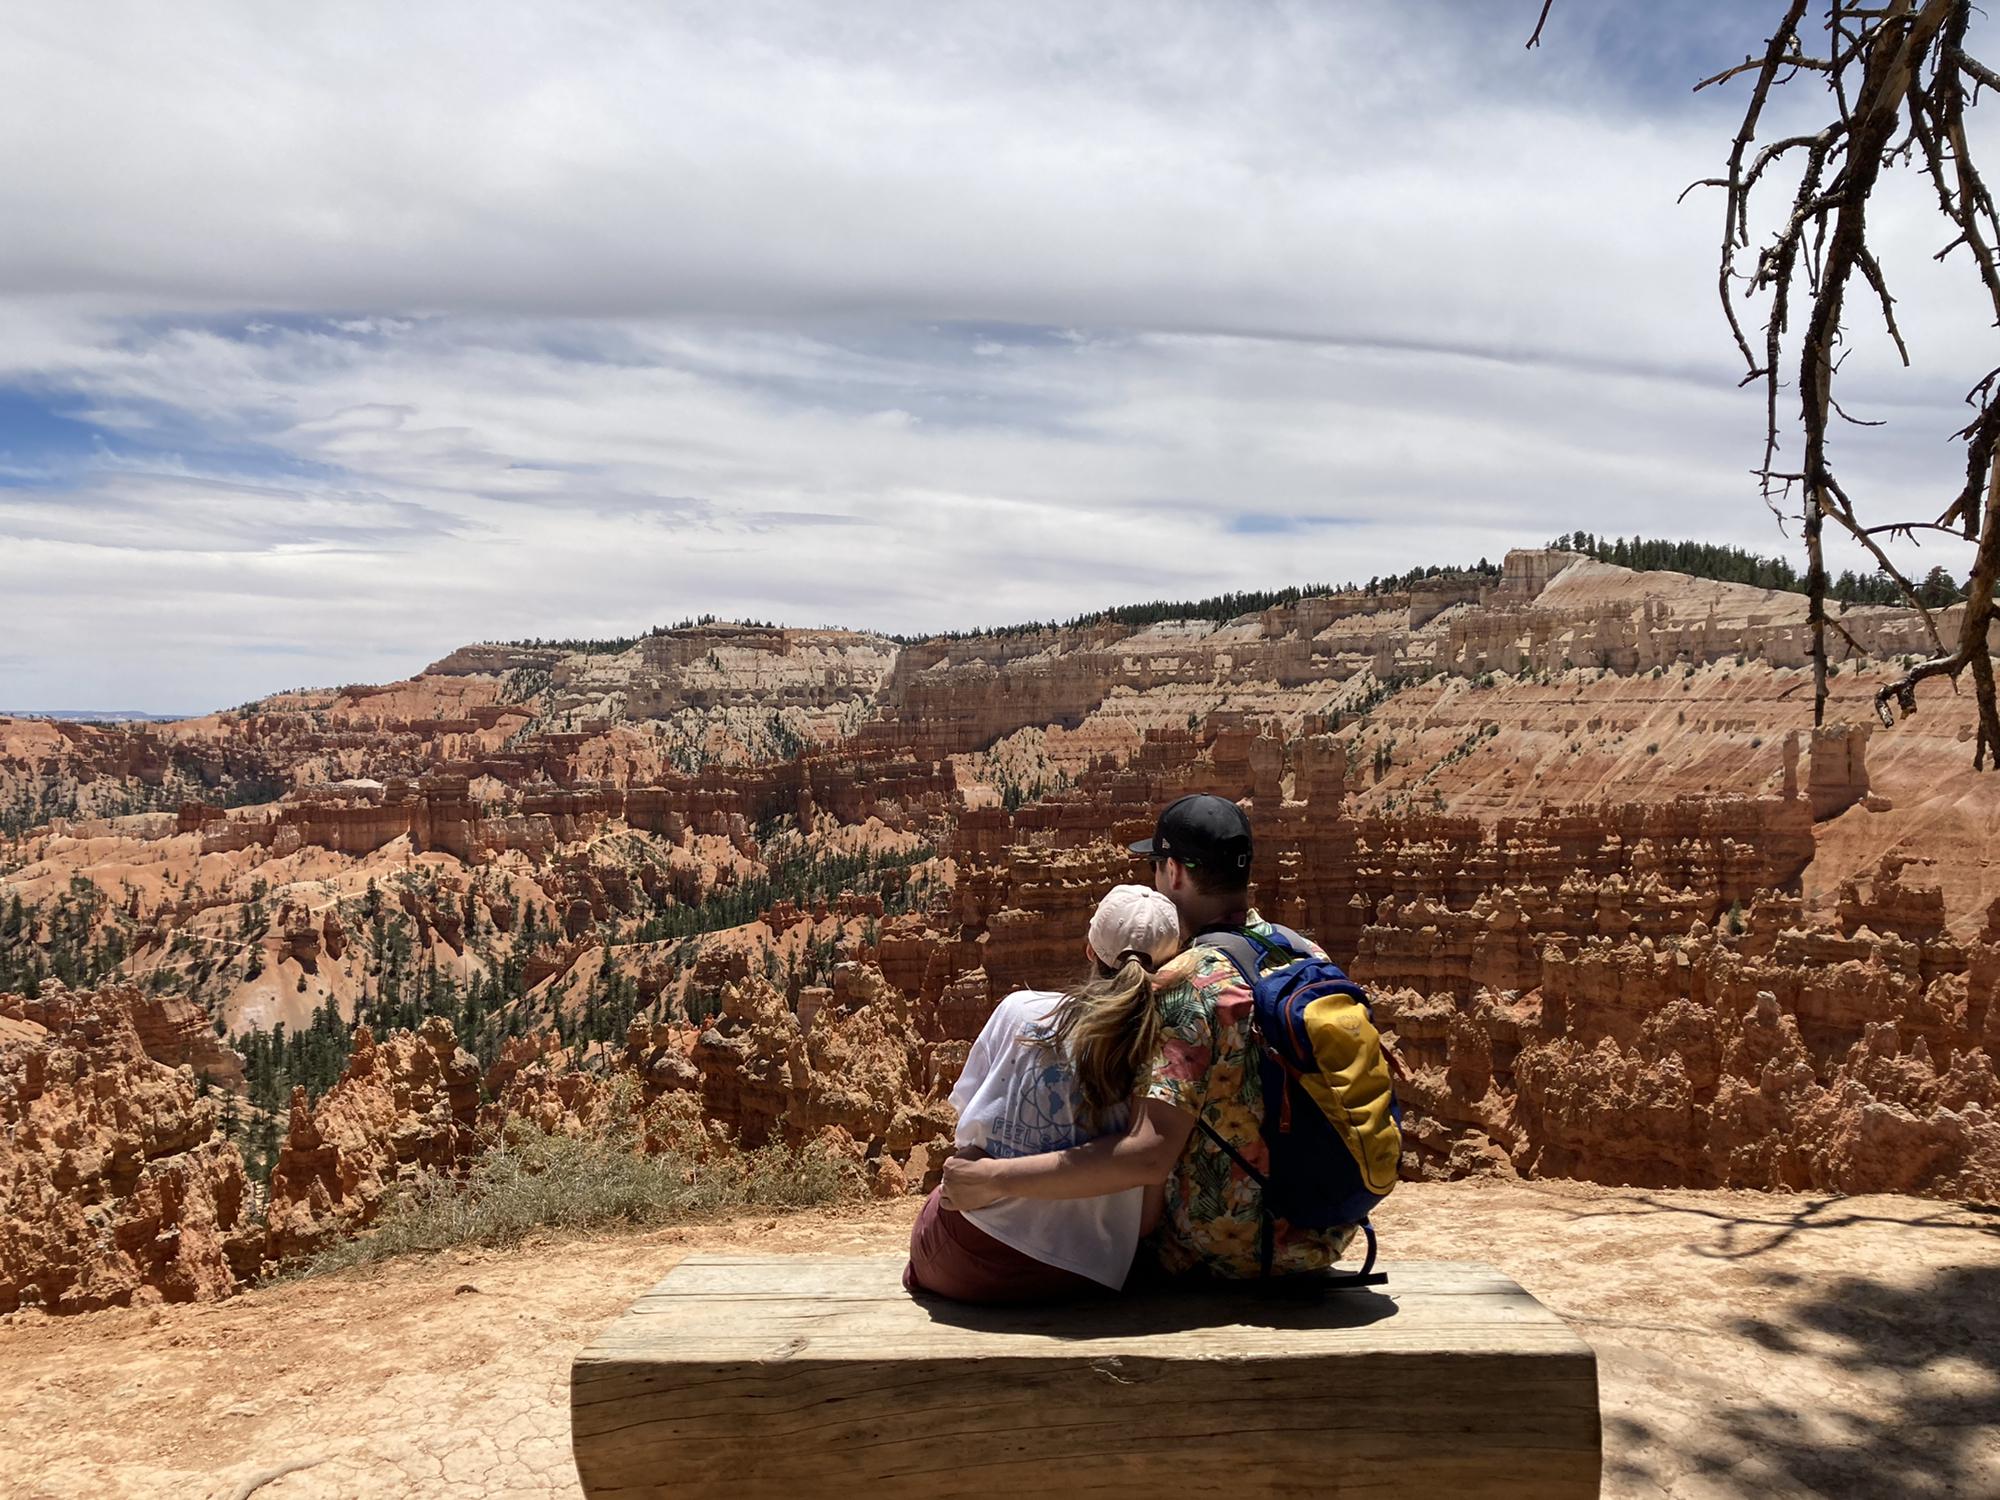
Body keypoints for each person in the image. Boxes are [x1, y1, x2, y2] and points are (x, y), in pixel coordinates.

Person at [941, 793, 1358, 1280]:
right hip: (1321, 1233)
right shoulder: (1304, 952)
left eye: (1157, 865)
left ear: (1176, 873)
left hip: (1230, 1249)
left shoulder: (1188, 984)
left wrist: (991, 1179)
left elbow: (1147, 1156)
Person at [904, 883, 1198, 1302]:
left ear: (1089, 951)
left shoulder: (1018, 1010)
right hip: (1087, 1274)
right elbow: (1147, 1220)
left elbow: (969, 1144)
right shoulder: (1165, 1054)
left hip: (965, 1259)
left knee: (941, 1200)